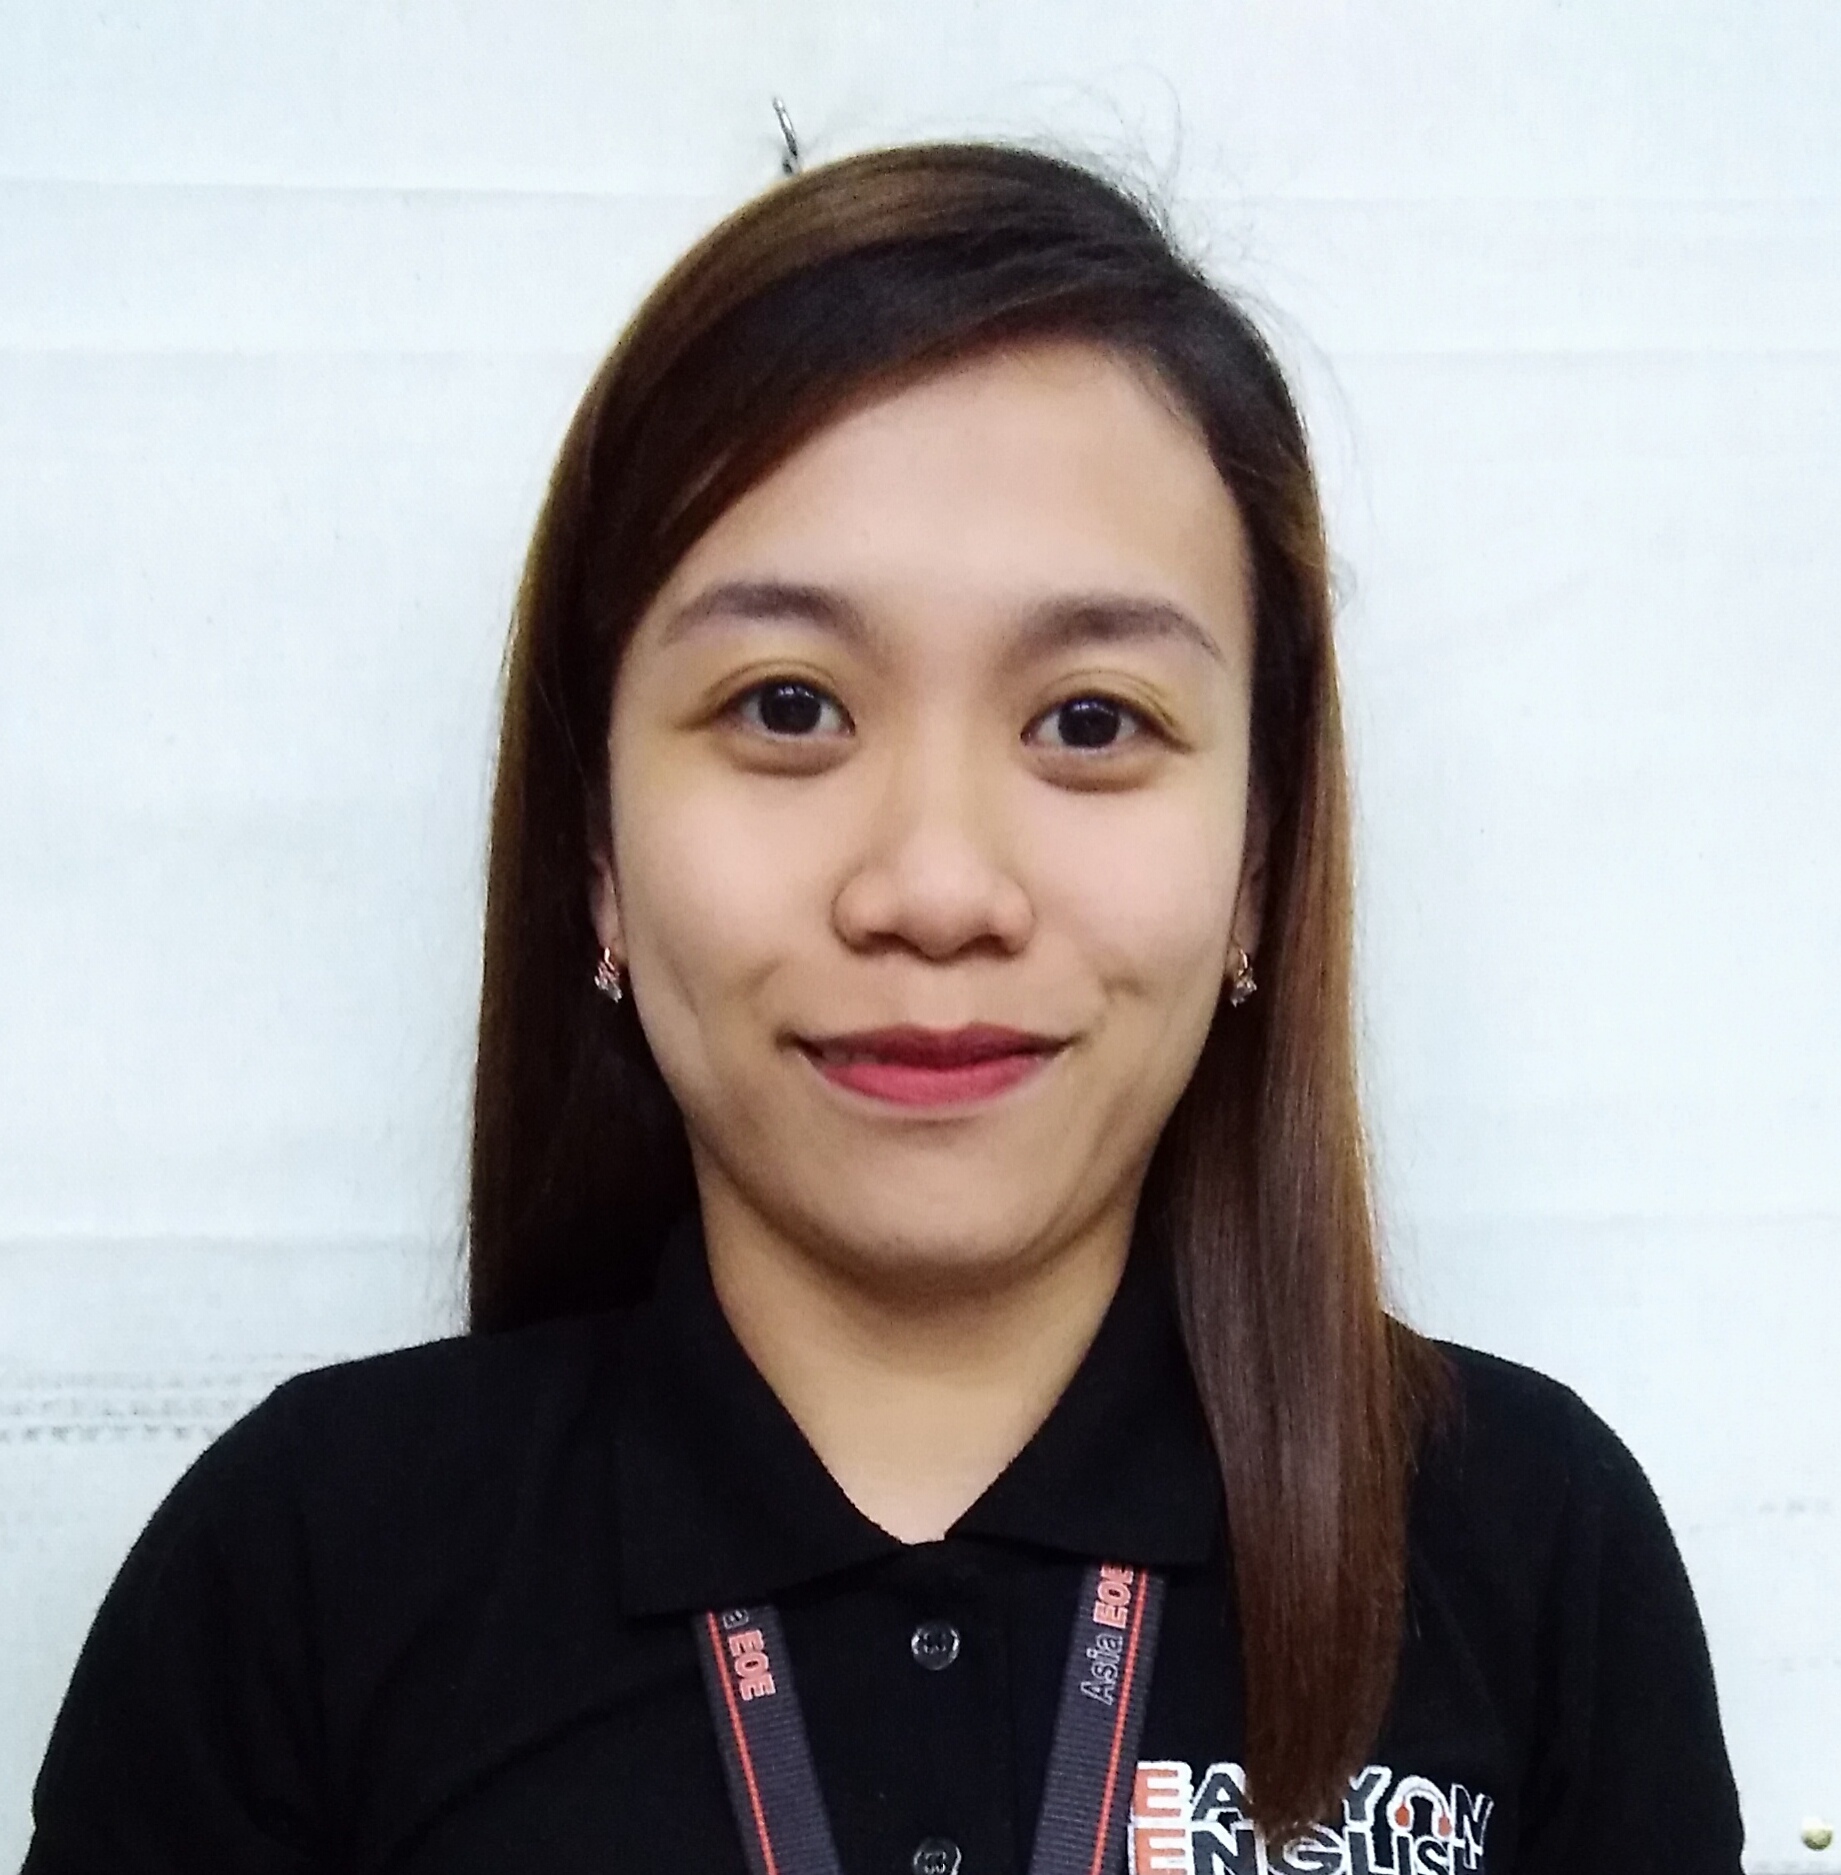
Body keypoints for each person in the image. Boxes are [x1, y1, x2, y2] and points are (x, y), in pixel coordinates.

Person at [22, 140, 1743, 1875]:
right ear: (598, 853)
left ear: (1254, 865)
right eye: (787, 706)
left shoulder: (1527, 1552)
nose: (933, 885)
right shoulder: (308, 1570)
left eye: (1088, 721)